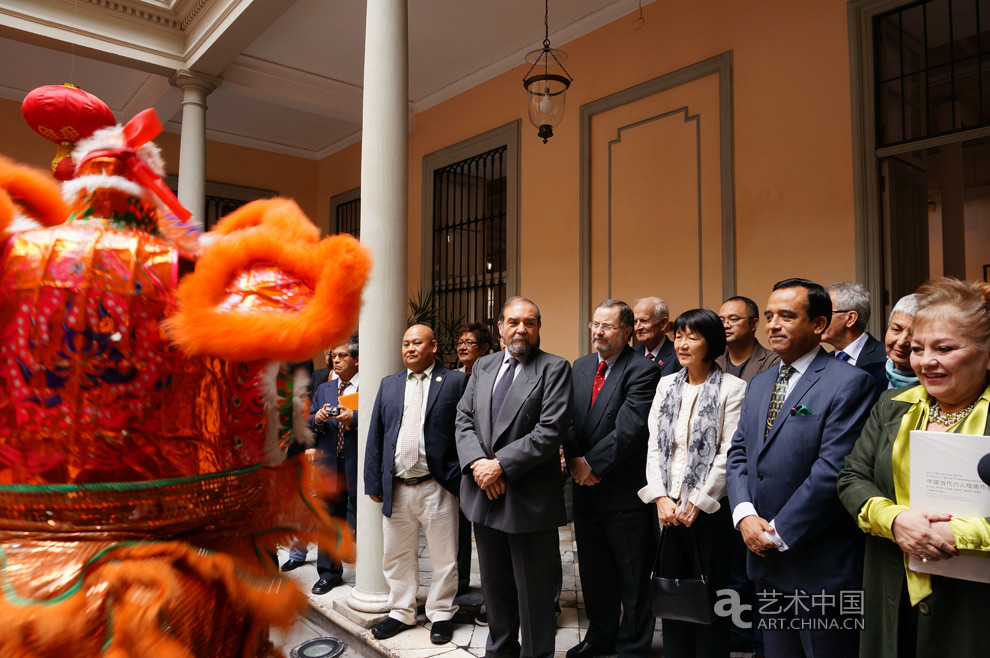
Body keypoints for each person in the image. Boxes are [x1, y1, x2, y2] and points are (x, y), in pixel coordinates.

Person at [837, 278, 990, 658]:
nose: (925, 361)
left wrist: (961, 534)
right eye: (918, 349)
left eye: (944, 348)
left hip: (972, 602)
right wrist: (894, 520)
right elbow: (852, 477)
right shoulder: (893, 404)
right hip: (890, 587)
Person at [725, 278, 876, 657]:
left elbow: (832, 470)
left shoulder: (850, 383)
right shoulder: (760, 384)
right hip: (764, 558)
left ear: (820, 325)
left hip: (818, 562)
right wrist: (744, 515)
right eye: (770, 315)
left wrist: (777, 532)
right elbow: (739, 454)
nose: (773, 324)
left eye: (787, 316)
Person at [456, 296, 574, 658]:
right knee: (496, 589)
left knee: (533, 594)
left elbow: (550, 431)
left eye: (530, 322)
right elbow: (463, 419)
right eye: (513, 322)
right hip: (483, 493)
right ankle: (500, 650)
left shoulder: (555, 368)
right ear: (500, 327)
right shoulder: (485, 366)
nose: (521, 328)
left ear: (538, 328)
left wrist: (500, 465)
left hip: (527, 497)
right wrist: (479, 464)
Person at [638, 309, 745, 657]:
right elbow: (654, 445)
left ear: (711, 342)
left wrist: (697, 502)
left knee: (710, 596)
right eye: (679, 336)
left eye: (692, 337)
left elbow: (727, 454)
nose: (682, 344)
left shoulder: (733, 388)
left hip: (709, 512)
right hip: (667, 510)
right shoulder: (666, 384)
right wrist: (660, 499)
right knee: (672, 593)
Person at [564, 300, 661, 658]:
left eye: (607, 326)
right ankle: (599, 636)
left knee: (633, 577)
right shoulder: (581, 366)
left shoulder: (644, 370)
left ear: (628, 331)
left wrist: (592, 464)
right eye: (595, 324)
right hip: (585, 491)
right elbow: (568, 417)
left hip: (623, 493)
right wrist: (576, 461)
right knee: (594, 573)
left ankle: (633, 647)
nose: (598, 332)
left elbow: (631, 428)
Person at [364, 325, 468, 643]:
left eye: (417, 343)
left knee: (444, 556)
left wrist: (460, 475)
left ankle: (440, 613)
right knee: (396, 554)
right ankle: (401, 611)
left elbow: (466, 430)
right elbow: (376, 434)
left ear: (433, 346)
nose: (410, 348)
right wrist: (373, 480)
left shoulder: (455, 381)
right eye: (406, 343)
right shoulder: (389, 384)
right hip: (396, 485)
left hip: (437, 484)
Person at [305, 336, 360, 594]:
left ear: (357, 359)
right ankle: (328, 573)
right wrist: (316, 418)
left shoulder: (370, 386)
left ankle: (374, 574)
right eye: (334, 356)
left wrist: (355, 418)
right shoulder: (325, 389)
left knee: (365, 518)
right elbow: (308, 423)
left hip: (357, 463)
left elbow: (381, 419)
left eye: (342, 356)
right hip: (329, 463)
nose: (335, 361)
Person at [822, 282, 886, 393]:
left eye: (825, 313)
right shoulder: (822, 363)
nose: (818, 321)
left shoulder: (887, 357)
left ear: (850, 318)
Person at [715, 296, 780, 381]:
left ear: (754, 324)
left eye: (733, 319)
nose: (725, 325)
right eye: (721, 321)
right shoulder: (714, 360)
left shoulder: (773, 362)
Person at [633, 296, 681, 376]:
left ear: (663, 323)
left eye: (644, 321)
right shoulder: (630, 354)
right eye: (635, 322)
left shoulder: (678, 356)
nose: (637, 327)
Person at [883, 293, 920, 389]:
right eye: (896, 330)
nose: (901, 342)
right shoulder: (867, 376)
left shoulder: (939, 386)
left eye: (913, 334)